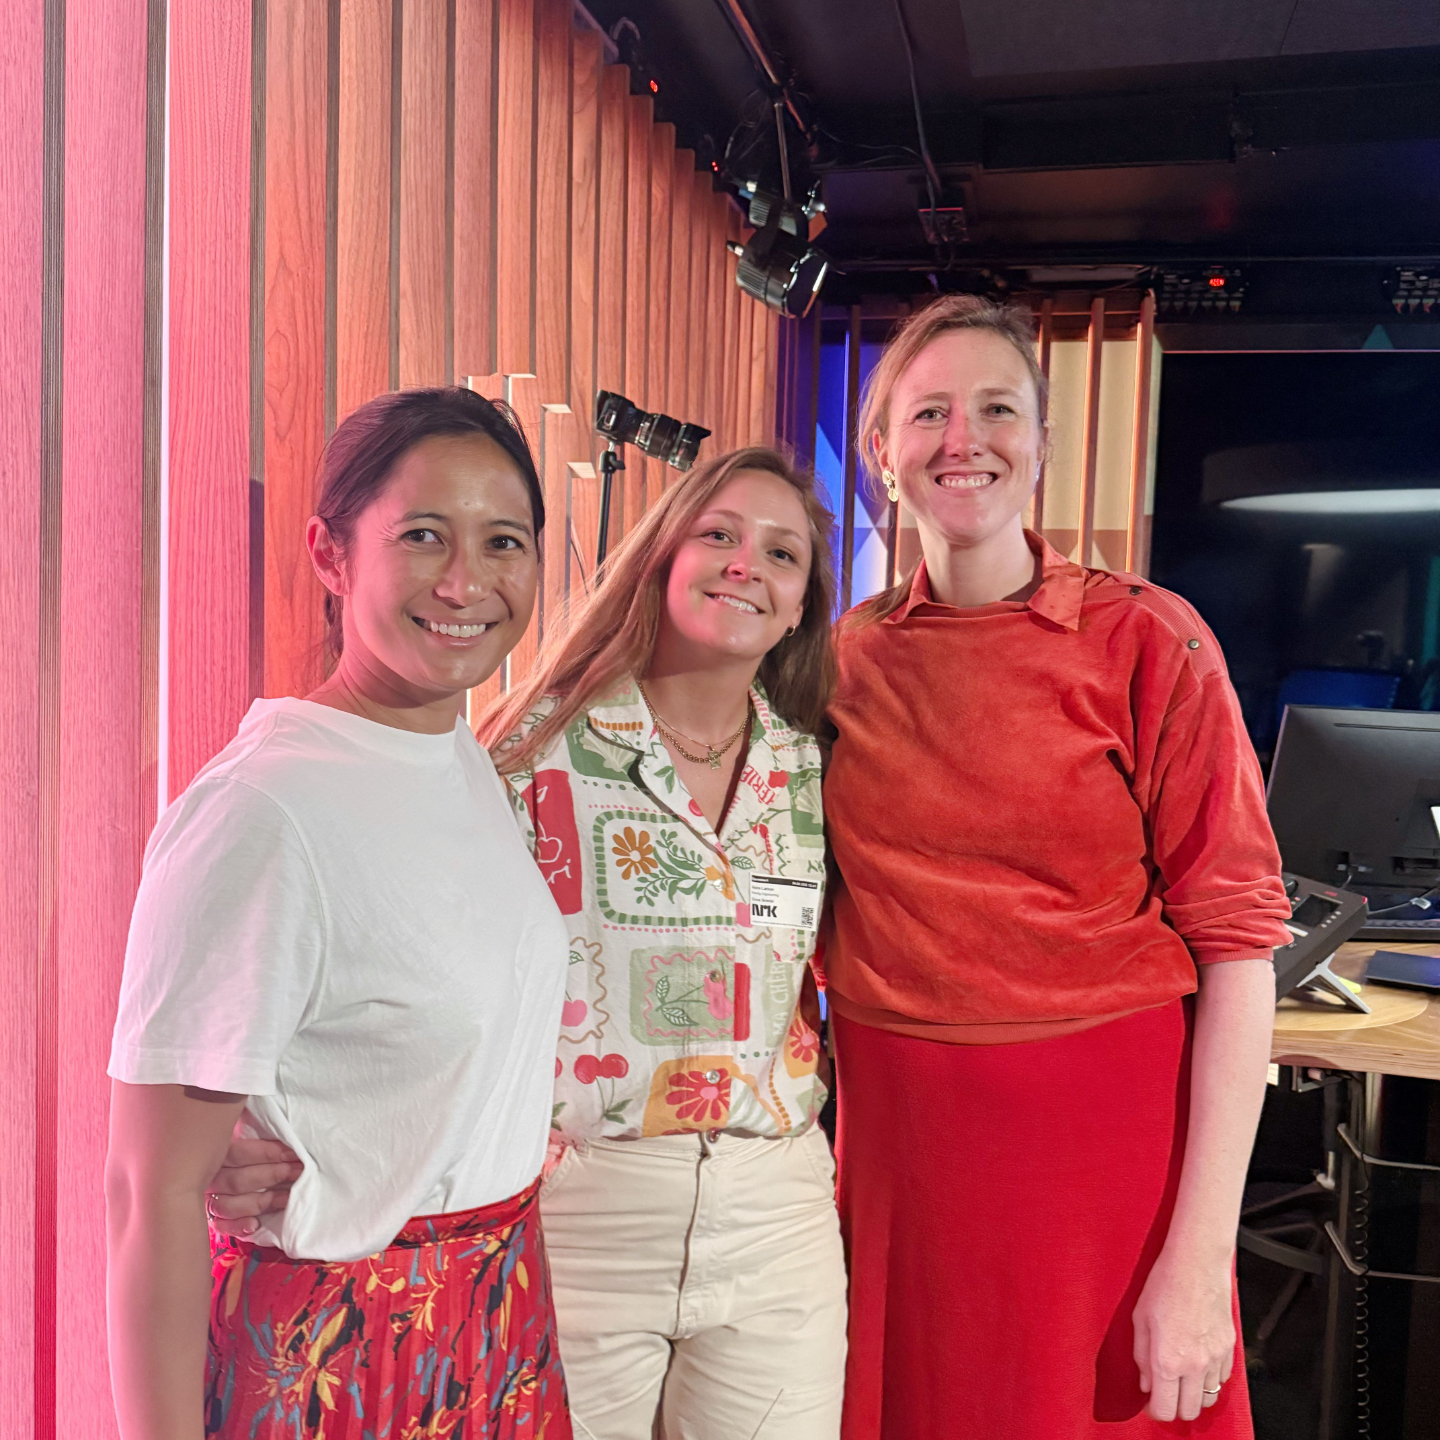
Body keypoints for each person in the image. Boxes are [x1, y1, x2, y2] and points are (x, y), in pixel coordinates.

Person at [207, 446, 849, 1440]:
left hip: (778, 1212)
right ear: (662, 560)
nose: (745, 566)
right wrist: (266, 1128)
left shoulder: (813, 769)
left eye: (781, 553)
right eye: (718, 535)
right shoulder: (528, 755)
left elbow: (829, 952)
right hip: (581, 1209)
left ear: (803, 603)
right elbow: (398, 945)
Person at [821, 295, 1292, 1439]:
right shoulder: (836, 663)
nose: (962, 439)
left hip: (1104, 1168)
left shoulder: (1148, 639)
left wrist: (1201, 1258)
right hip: (899, 1164)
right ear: (881, 451)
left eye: (995, 409)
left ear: (1040, 442)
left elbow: (1240, 949)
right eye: (928, 412)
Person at [105, 388, 573, 1440]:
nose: (466, 582)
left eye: (502, 541)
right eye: (422, 536)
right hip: (340, 1348)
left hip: (496, 1314)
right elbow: (146, 1193)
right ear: (330, 554)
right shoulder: (264, 809)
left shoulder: (453, 754)